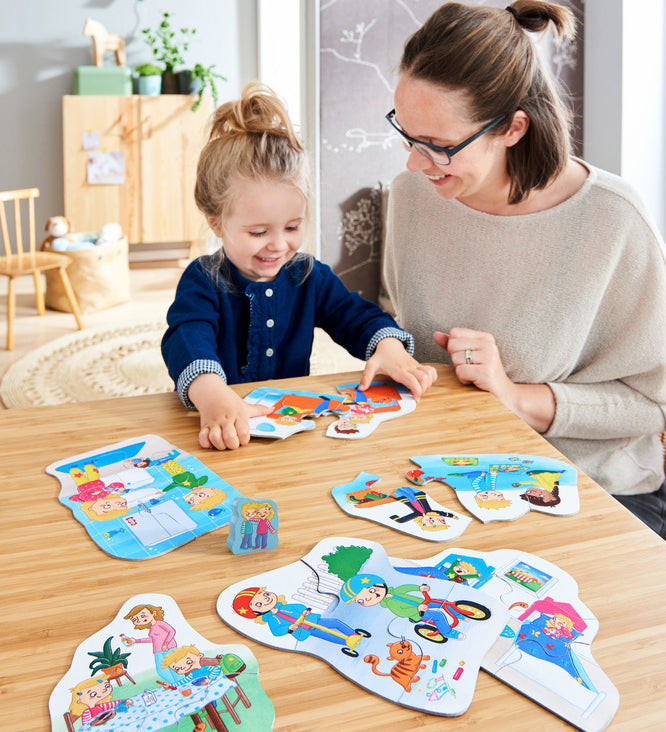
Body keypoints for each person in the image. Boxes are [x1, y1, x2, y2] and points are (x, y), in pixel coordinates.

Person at [382, 1, 666, 537]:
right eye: (407, 133)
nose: (414, 163)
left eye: (439, 146)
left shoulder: (612, 218)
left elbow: (652, 402)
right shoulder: (412, 197)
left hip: (590, 487)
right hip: (445, 479)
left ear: (513, 128)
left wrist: (513, 396)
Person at [162, 83, 437, 451]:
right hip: (222, 428)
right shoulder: (202, 280)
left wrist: (387, 344)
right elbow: (186, 338)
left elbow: (354, 314)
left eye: (293, 227)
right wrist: (211, 393)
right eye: (258, 231)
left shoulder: (308, 274)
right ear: (216, 222)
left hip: (289, 435)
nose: (279, 244)